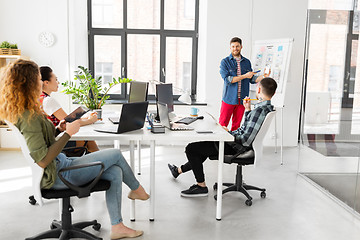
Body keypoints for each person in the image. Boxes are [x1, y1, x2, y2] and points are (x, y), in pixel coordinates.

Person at [0, 59, 149, 239]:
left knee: (116, 171)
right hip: (57, 174)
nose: (41, 82)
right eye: (39, 78)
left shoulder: (27, 109)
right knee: (116, 154)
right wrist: (68, 134)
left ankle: (118, 227)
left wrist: (58, 129)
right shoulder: (28, 116)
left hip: (61, 164)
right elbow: (42, 160)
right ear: (28, 82)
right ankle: (137, 189)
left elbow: (43, 142)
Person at [168, 77, 277, 197]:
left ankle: (201, 187)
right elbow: (246, 130)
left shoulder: (259, 111)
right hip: (239, 144)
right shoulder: (266, 108)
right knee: (201, 150)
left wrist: (227, 134)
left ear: (259, 89)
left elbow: (245, 139)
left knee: (192, 149)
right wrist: (247, 111)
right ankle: (178, 170)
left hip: (237, 147)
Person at [39, 66, 99, 154]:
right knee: (89, 140)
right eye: (56, 79)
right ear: (46, 82)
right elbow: (69, 123)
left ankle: (98, 163)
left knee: (88, 141)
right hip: (56, 143)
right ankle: (101, 164)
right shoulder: (48, 101)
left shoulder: (40, 98)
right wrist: (91, 120)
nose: (58, 82)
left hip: (50, 140)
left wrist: (86, 119)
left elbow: (66, 120)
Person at [219, 37, 270, 131]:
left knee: (236, 125)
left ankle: (232, 145)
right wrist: (245, 75)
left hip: (242, 99)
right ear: (230, 48)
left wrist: (264, 76)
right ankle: (218, 145)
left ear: (241, 47)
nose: (235, 48)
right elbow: (228, 80)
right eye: (233, 46)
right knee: (222, 125)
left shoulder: (246, 62)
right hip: (228, 98)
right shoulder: (225, 62)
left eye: (237, 46)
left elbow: (252, 79)